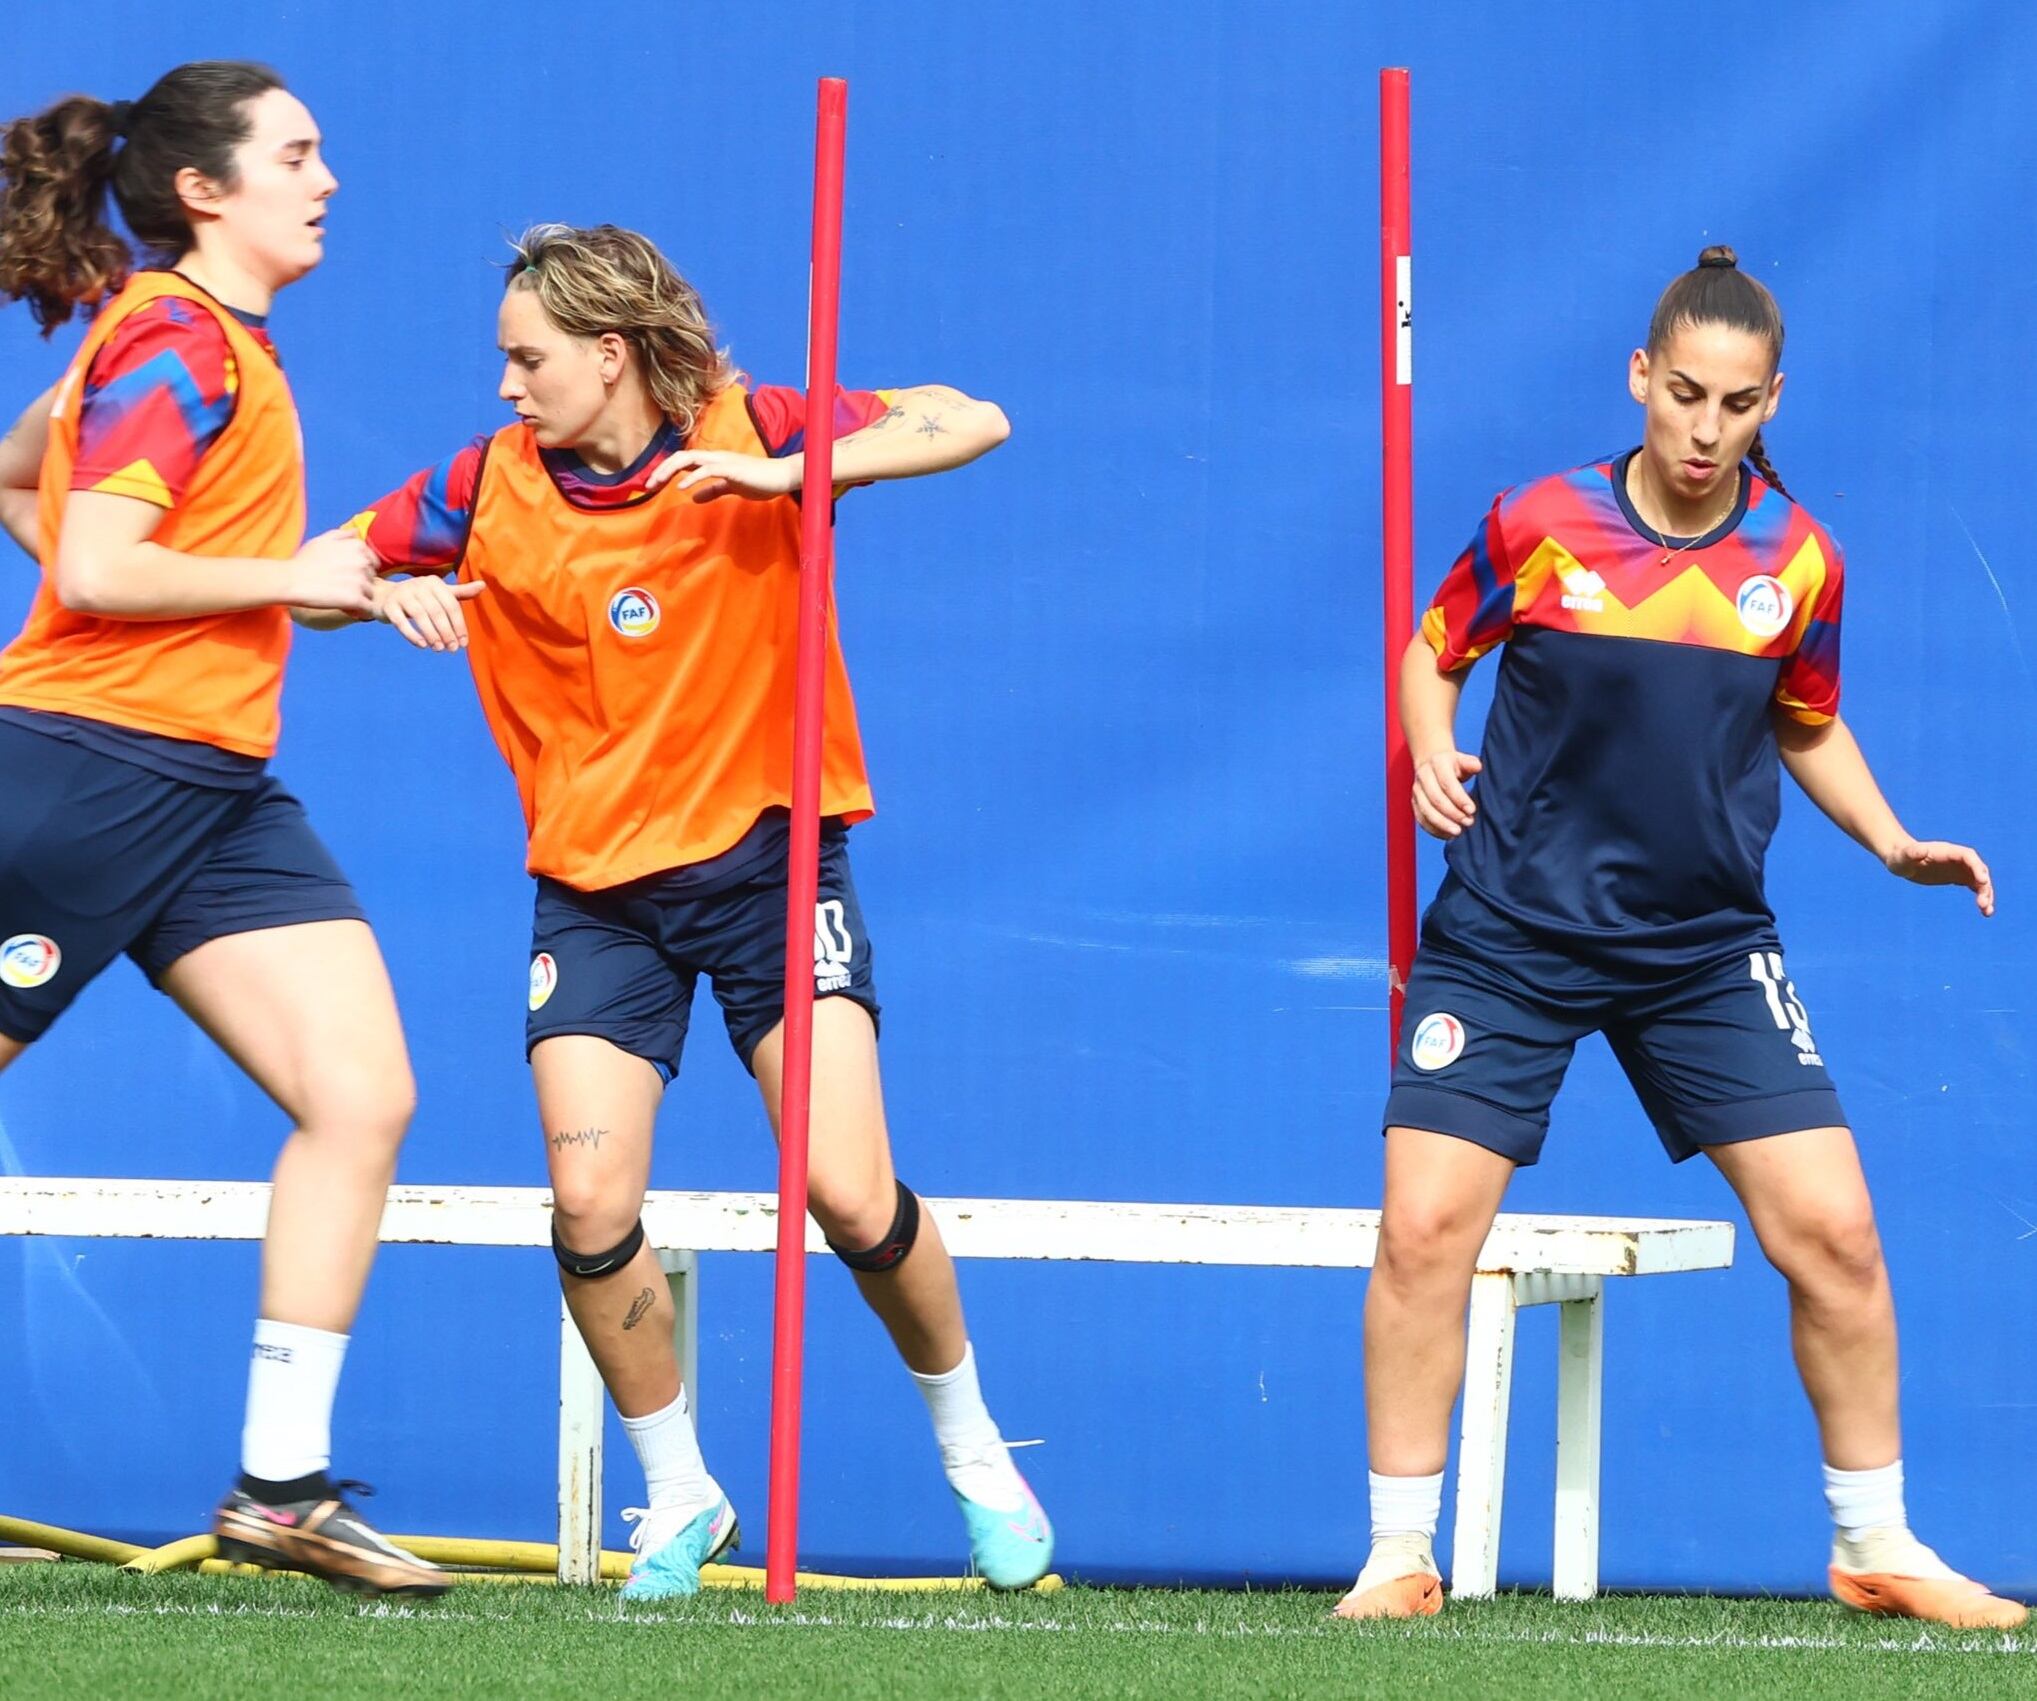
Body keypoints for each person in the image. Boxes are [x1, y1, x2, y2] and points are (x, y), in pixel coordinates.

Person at [348, 222, 1051, 1598]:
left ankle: (975, 1451)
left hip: (770, 866)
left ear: (609, 354)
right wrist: (384, 594)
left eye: (528, 358)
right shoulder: (482, 483)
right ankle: (679, 1489)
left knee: (848, 1192)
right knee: (587, 1199)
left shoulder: (757, 426)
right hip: (595, 892)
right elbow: (326, 569)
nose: (506, 384)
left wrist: (798, 474)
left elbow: (973, 418)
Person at [1337, 248, 2023, 1629]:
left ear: (1773, 402)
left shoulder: (1800, 557)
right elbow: (1432, 650)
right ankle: (1398, 1553)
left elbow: (1805, 722)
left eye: (1738, 404)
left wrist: (1891, 840)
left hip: (1700, 946)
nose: (1706, 431)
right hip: (1509, 932)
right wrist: (1427, 749)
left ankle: (1875, 1543)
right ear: (1640, 378)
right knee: (1423, 1230)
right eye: (1686, 395)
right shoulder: (1541, 521)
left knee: (1835, 1234)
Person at [0, 61, 443, 1597]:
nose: (328, 180)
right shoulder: (177, 340)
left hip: (212, 792)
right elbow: (98, 571)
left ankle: (281, 1490)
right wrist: (288, 577)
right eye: (296, 155)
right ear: (206, 190)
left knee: (360, 1095)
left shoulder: (188, 338)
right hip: (81, 776)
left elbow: (23, 476)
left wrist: (235, 591)